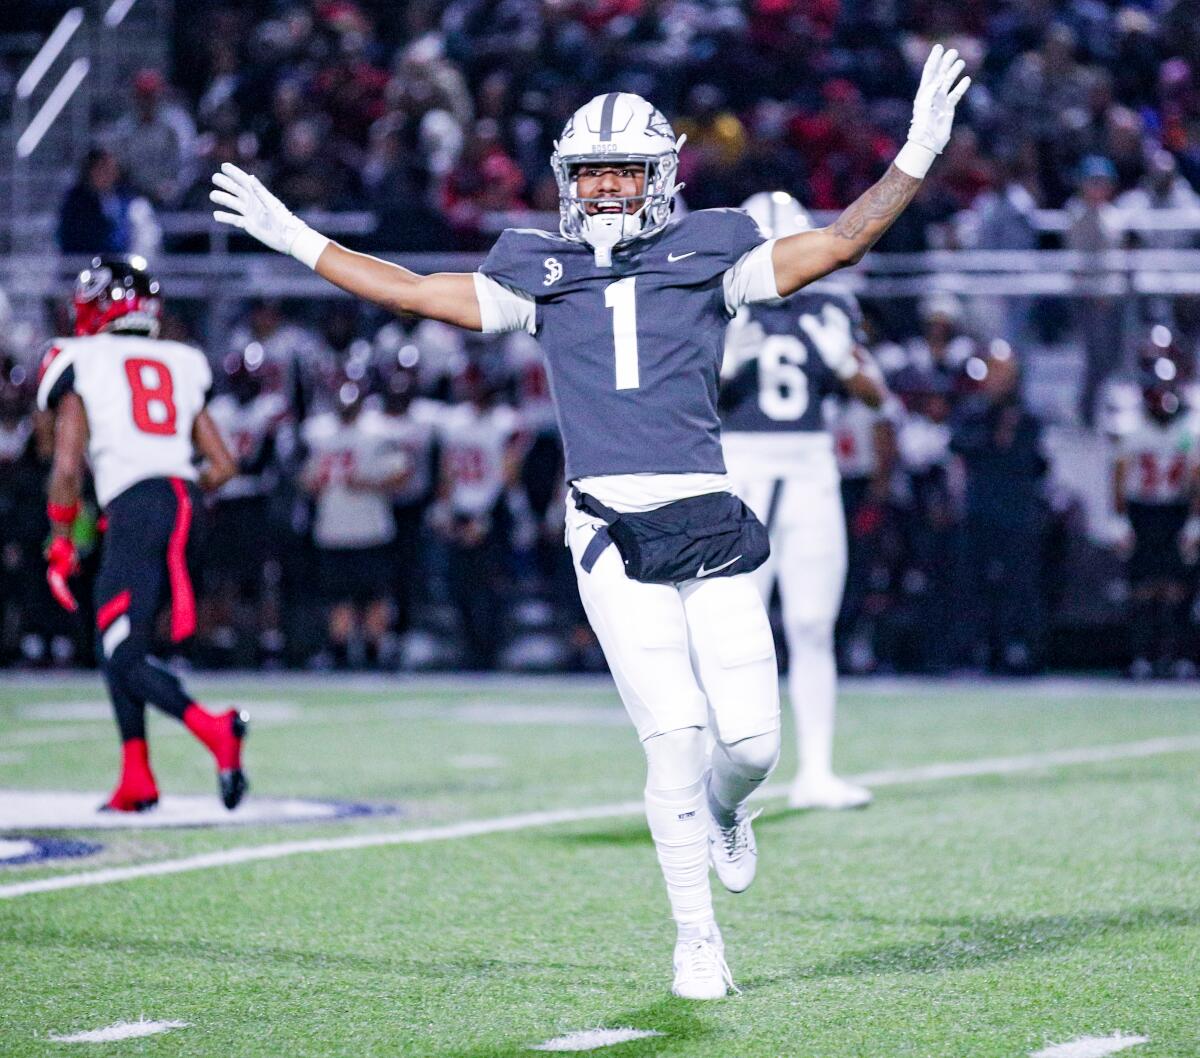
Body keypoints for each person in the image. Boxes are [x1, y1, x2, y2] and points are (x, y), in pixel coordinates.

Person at [210, 47, 970, 999]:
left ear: (662, 179)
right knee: (677, 739)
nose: (607, 190)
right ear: (568, 183)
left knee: (750, 749)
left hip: (709, 518)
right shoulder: (540, 267)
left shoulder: (714, 252)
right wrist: (297, 239)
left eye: (624, 173)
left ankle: (733, 814)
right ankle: (697, 940)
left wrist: (915, 154)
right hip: (609, 523)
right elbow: (410, 290)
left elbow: (839, 244)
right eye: (592, 175)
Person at [36, 255, 247, 812]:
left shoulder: (76, 356)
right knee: (120, 643)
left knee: (118, 649)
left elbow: (65, 468)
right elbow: (222, 465)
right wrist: (172, 495)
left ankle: (213, 728)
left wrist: (61, 539)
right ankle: (137, 774)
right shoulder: (180, 358)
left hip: (137, 504)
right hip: (182, 500)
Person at [720, 191, 889, 811]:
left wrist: (843, 360)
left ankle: (816, 770)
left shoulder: (829, 303)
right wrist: (724, 355)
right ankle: (727, 772)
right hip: (740, 465)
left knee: (813, 624)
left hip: (810, 463)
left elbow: (875, 395)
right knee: (735, 626)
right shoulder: (719, 305)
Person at [1111, 333, 1200, 678]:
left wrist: (1194, 523)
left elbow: (1196, 480)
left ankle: (1177, 657)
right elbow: (1118, 475)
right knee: (1143, 588)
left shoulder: (1190, 426)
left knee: (1178, 590)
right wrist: (1118, 519)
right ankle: (1142, 656)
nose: (1162, 399)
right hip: (1142, 509)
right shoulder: (1130, 425)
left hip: (1176, 509)